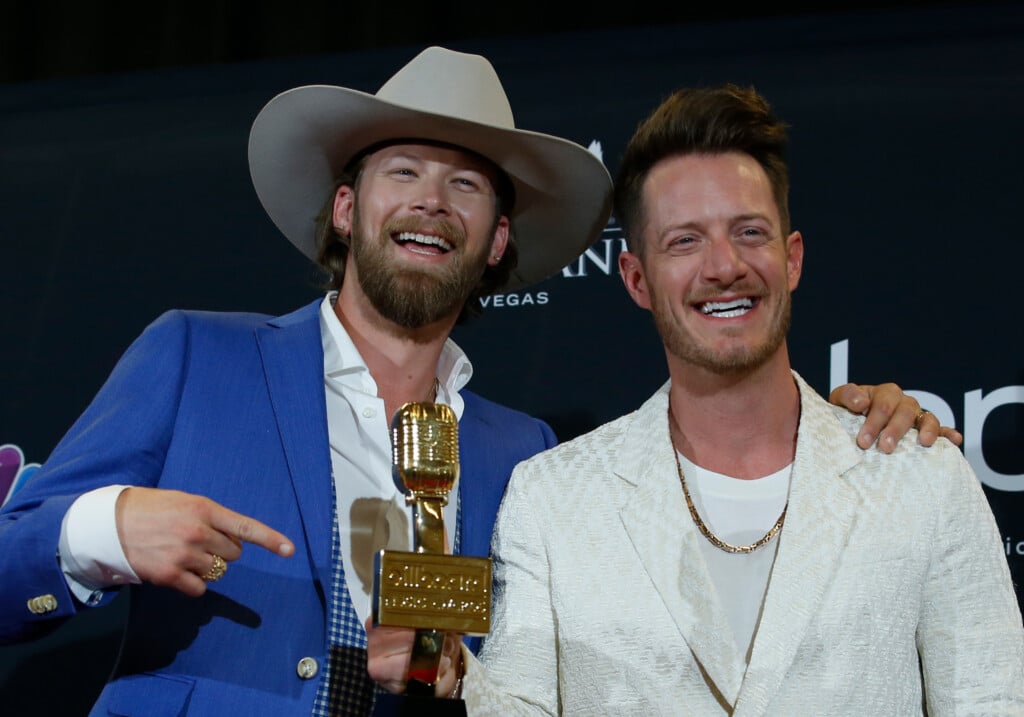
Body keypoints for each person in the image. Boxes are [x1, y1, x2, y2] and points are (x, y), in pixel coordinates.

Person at [0, 44, 951, 717]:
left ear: (496, 238)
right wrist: (102, 529)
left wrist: (852, 433)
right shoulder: (197, 358)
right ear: (344, 209)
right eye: (401, 170)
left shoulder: (527, 455)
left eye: (465, 184)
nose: (428, 200)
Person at [366, 83, 1024, 714]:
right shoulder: (552, 497)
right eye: (685, 240)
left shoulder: (921, 477)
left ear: (791, 259)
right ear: (636, 278)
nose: (723, 266)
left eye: (749, 233)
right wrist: (451, 671)